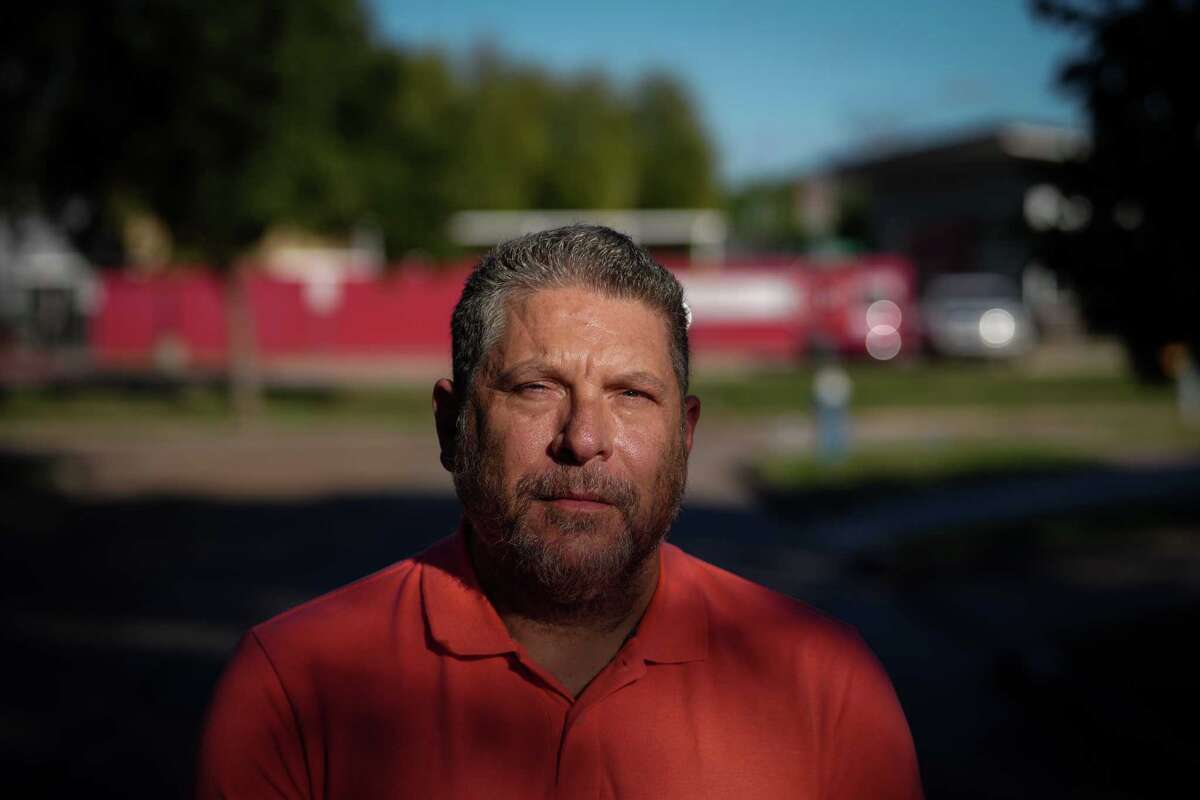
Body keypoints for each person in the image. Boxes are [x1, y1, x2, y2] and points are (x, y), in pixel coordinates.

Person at [197, 224, 923, 799]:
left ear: (686, 436)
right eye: (535, 387)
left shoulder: (824, 684)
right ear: (453, 427)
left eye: (632, 395)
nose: (583, 439)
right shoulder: (295, 684)